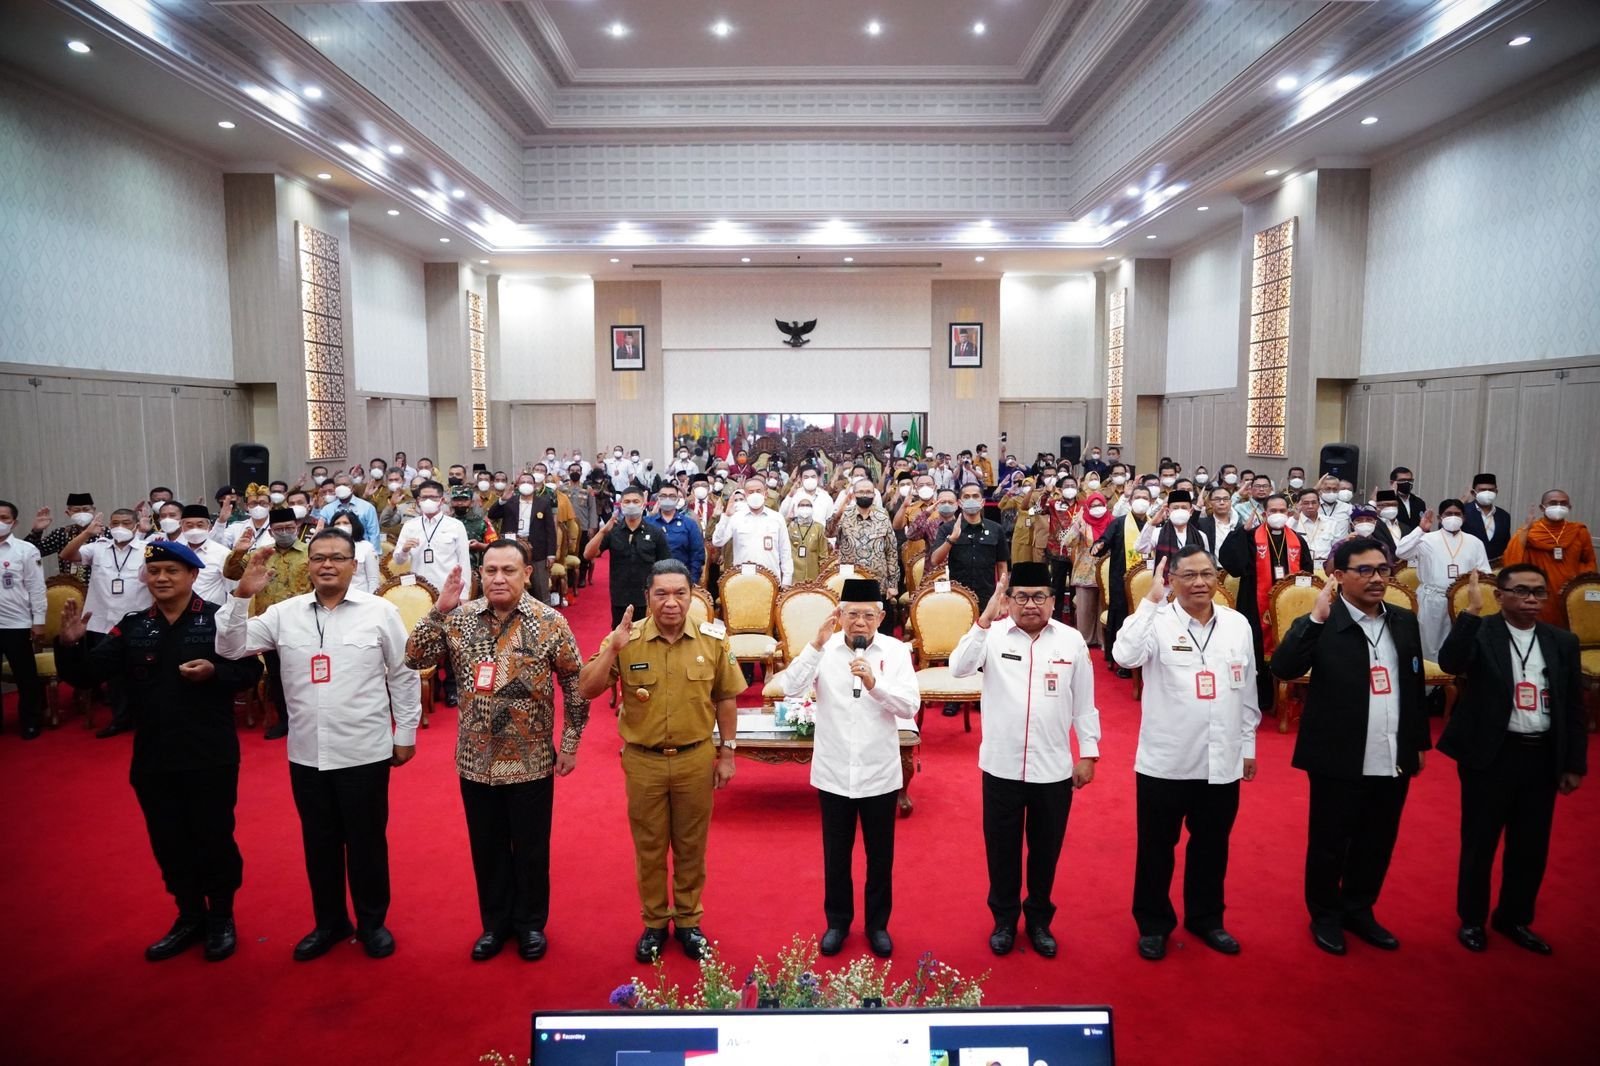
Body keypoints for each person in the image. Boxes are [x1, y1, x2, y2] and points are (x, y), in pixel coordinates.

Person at [217, 529, 420, 962]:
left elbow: (403, 674)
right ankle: (330, 923)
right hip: (307, 753)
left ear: (353, 565)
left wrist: (405, 732)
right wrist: (241, 596)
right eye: (318, 558)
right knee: (319, 843)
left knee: (366, 843)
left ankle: (372, 923)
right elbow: (230, 648)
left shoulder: (380, 611)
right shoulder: (283, 613)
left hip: (364, 750)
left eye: (337, 558)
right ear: (308, 565)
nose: (327, 565)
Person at [55, 541, 262, 960]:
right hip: (154, 755)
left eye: (171, 571)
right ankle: (189, 915)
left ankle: (221, 916)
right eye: (154, 572)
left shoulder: (217, 619)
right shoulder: (134, 626)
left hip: (209, 753)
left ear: (192, 575)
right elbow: (87, 676)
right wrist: (71, 645)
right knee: (168, 840)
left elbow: (248, 671)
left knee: (213, 837)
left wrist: (214, 672)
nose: (162, 578)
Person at [406, 543, 589, 962]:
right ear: (480, 574)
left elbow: (575, 685)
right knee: (486, 848)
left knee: (530, 848)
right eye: (490, 571)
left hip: (531, 760)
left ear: (527, 573)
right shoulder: (460, 619)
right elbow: (414, 658)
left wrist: (570, 743)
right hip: (476, 760)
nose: (498, 578)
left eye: (508, 570)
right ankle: (495, 924)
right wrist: (439, 609)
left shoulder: (549, 622)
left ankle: (530, 924)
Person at [576, 560, 746, 963]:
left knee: (691, 847)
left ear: (692, 596)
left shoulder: (712, 640)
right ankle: (654, 922)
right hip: (644, 762)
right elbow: (586, 689)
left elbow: (726, 698)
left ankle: (688, 921)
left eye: (680, 593)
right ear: (647, 597)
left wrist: (728, 753)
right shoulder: (626, 638)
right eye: (661, 594)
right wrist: (612, 650)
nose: (671, 602)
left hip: (695, 759)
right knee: (650, 848)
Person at [1271, 538, 1430, 956]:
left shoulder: (1402, 620)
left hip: (1392, 750)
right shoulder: (1325, 621)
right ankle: (1325, 914)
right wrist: (1314, 621)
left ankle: (1359, 909)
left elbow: (1413, 684)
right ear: (1339, 576)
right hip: (1338, 752)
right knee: (1330, 841)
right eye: (1365, 570)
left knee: (1378, 839)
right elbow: (1283, 667)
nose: (1377, 578)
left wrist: (1417, 742)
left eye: (1383, 569)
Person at [1113, 549, 1260, 960]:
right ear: (1172, 580)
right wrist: (1150, 601)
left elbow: (1247, 689)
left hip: (1222, 758)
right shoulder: (1156, 621)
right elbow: (1125, 656)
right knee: (1156, 848)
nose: (1199, 583)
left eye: (1207, 574)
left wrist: (1247, 745)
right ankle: (1153, 923)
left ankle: (1206, 918)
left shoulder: (1236, 624)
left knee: (1212, 845)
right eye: (1189, 575)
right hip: (1167, 759)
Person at [949, 562, 1099, 959]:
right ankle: (1003, 920)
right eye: (1021, 597)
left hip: (1053, 768)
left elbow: (1085, 703)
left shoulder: (1071, 641)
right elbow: (958, 668)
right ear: (1009, 599)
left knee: (1046, 850)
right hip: (1001, 765)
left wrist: (1089, 753)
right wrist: (984, 619)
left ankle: (1039, 920)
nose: (1030, 605)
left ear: (1053, 600)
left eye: (1039, 597)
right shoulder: (992, 635)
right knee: (1002, 849)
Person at [1437, 567, 1586, 955]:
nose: (1531, 599)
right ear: (1499, 595)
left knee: (1530, 846)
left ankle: (1514, 917)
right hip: (1491, 755)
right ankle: (1472, 919)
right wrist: (1470, 612)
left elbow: (1573, 705)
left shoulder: (1561, 641)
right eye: (1521, 591)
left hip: (1541, 757)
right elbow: (1451, 662)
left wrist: (1574, 763)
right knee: (1480, 843)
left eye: (1539, 592)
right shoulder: (1482, 632)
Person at [781, 578, 920, 959]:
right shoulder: (823, 650)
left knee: (880, 857)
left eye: (868, 615)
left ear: (881, 617)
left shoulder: (895, 651)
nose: (860, 622)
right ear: (839, 615)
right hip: (834, 770)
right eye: (852, 614)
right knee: (836, 855)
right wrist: (814, 645)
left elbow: (910, 706)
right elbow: (790, 688)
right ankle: (837, 923)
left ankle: (877, 925)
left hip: (879, 772)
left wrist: (875, 684)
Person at [1217, 495, 1313, 712]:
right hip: (1254, 603)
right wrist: (1241, 533)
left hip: (1289, 608)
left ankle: (1288, 694)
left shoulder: (1298, 541)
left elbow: (1306, 572)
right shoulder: (1251, 537)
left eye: (1282, 511)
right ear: (1264, 513)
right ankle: (1260, 697)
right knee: (1255, 648)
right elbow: (1233, 566)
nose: (1278, 515)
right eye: (1273, 511)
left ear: (1289, 513)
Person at [60, 508, 150, 737]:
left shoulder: (147, 548)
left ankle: (145, 719)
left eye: (126, 522)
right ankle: (120, 719)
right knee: (114, 675)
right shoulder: (97, 547)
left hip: (137, 620)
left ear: (135, 525)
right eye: (115, 522)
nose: (120, 526)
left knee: (142, 672)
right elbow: (66, 555)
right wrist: (86, 533)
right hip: (103, 620)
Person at [1394, 500, 1492, 661]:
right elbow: (1401, 552)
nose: (1453, 517)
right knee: (1430, 644)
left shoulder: (1475, 542)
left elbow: (1485, 573)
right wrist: (1420, 529)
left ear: (1464, 518)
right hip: (1433, 598)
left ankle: (1454, 675)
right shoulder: (1426, 539)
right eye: (1448, 514)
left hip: (1463, 601)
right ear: (1440, 518)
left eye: (1457, 514)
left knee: (1459, 643)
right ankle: (1431, 675)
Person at [1501, 490, 1595, 626]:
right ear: (1542, 507)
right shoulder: (1530, 532)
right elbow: (1512, 561)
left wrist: (1580, 585)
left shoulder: (1579, 531)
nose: (1558, 506)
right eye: (1553, 503)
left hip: (1571, 593)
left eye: (1563, 503)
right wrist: (1526, 529)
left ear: (1569, 507)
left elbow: (1589, 561)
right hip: (1540, 592)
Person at [1090, 484, 1153, 676]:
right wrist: (1099, 545)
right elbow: (1104, 541)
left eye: (1145, 497)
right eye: (1137, 497)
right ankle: (1123, 661)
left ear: (1151, 502)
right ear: (1131, 501)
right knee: (1123, 619)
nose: (1141, 501)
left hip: (1150, 583)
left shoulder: (1155, 524)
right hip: (1121, 581)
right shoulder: (1119, 523)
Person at [585, 484, 667, 626]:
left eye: (635, 501)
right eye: (627, 502)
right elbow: (588, 554)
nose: (631, 505)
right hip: (620, 596)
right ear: (621, 505)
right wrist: (602, 531)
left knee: (647, 634)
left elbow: (665, 565)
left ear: (643, 504)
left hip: (647, 597)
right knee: (620, 633)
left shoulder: (655, 532)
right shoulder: (613, 531)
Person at [0, 500, 47, 738]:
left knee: (25, 676)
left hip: (16, 623)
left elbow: (36, 588)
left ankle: (30, 721)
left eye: (4, 518)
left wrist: (38, 620)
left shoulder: (25, 550)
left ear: (14, 522)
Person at [930, 482, 1008, 606]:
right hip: (958, 596)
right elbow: (935, 560)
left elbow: (1002, 566)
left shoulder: (996, 528)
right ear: (960, 503)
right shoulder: (947, 528)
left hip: (988, 596)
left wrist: (1002, 594)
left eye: (975, 496)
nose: (971, 500)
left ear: (982, 502)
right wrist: (952, 539)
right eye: (966, 497)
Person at [489, 473, 560, 604]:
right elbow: (492, 514)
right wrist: (502, 500)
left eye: (529, 482)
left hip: (538, 551)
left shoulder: (543, 503)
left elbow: (550, 530)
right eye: (523, 482)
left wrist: (551, 554)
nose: (526, 484)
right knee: (512, 586)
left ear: (534, 485)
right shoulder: (510, 502)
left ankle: (545, 615)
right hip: (512, 548)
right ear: (517, 485)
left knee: (541, 589)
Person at [711, 475, 793, 585]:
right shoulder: (736, 518)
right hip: (742, 579)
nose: (755, 495)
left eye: (758, 491)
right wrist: (726, 516)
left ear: (765, 494)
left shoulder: (777, 518)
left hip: (771, 580)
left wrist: (786, 581)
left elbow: (785, 551)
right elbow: (717, 541)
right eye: (751, 492)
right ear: (745, 496)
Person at [831, 479, 901, 593]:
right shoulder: (844, 515)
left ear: (874, 495)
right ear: (854, 495)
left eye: (868, 492)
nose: (864, 495)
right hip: (849, 578)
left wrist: (893, 584)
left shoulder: (883, 516)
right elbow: (828, 533)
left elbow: (891, 551)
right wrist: (838, 514)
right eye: (861, 492)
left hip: (878, 581)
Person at [1066, 492, 1114, 647]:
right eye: (1093, 506)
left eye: (1100, 505)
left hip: (1107, 572)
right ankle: (1084, 641)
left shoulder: (1113, 522)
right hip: (1085, 573)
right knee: (1085, 610)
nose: (1097, 508)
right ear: (1087, 507)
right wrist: (1077, 525)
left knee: (1104, 608)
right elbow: (1067, 542)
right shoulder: (1082, 522)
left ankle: (1102, 640)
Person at [25, 491, 98, 580]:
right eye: (76, 511)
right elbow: (30, 553)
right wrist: (36, 531)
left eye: (86, 510)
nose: (82, 513)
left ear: (93, 510)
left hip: (100, 586)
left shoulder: (106, 534)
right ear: (68, 513)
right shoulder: (61, 533)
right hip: (68, 586)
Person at [1133, 490, 1211, 570]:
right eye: (1175, 508)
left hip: (1193, 576)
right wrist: (1152, 524)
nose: (1180, 511)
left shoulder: (1201, 536)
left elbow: (1206, 562)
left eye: (1184, 508)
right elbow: (1141, 548)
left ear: (1191, 511)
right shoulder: (1157, 533)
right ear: (1168, 511)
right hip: (1164, 577)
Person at [647, 483, 707, 586]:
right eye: (663, 496)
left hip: (682, 579)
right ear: (658, 499)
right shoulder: (647, 522)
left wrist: (692, 580)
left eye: (672, 496)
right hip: (653, 580)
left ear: (678, 500)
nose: (667, 499)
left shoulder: (689, 524)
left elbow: (697, 554)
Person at [316, 472, 381, 549]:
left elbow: (374, 534)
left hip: (362, 550)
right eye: (338, 485)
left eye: (345, 484)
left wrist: (374, 553)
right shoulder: (327, 509)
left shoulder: (367, 507)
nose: (341, 487)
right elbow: (320, 532)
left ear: (352, 487)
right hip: (335, 550)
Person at [1461, 473, 1511, 562]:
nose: (1487, 493)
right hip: (1468, 564)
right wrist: (1460, 503)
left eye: (1491, 490)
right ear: (1473, 493)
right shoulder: (1462, 512)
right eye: (1482, 490)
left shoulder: (1504, 516)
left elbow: (1506, 545)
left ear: (1496, 492)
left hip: (1495, 567)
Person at [786, 493, 830, 584]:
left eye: (808, 505)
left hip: (813, 576)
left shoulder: (819, 528)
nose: (805, 508)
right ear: (797, 507)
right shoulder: (790, 527)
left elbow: (823, 555)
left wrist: (822, 577)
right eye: (802, 505)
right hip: (793, 576)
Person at [1389, 467, 1426, 533]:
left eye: (1409, 480)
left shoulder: (1419, 502)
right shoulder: (1386, 500)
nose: (1407, 483)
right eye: (1402, 480)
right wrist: (1392, 495)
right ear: (1392, 482)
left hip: (1416, 537)